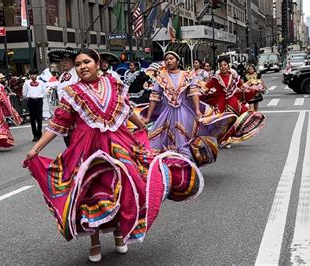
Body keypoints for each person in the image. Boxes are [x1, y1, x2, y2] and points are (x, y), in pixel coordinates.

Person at [23, 48, 204, 263]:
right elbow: (57, 124)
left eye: (87, 62)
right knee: (92, 193)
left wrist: (142, 127)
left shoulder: (114, 85)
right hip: (86, 148)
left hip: (119, 144)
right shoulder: (72, 93)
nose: (82, 66)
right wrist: (37, 149)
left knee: (126, 186)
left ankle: (120, 232)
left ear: (97, 64)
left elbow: (126, 110)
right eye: (78, 63)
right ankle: (95, 241)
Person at [143, 51, 231, 161]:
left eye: (171, 58)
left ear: (178, 61)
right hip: (167, 113)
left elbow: (194, 93)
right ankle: (172, 165)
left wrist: (198, 110)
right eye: (166, 59)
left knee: (184, 139)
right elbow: (154, 97)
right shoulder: (161, 77)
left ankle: (186, 165)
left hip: (185, 112)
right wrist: (148, 116)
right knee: (162, 140)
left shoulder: (188, 75)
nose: (168, 61)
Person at [201, 55, 265, 148]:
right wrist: (199, 90)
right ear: (219, 67)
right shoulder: (216, 78)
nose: (223, 67)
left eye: (225, 65)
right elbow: (207, 87)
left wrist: (254, 87)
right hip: (221, 102)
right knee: (221, 121)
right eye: (221, 65)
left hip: (232, 101)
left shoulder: (234, 77)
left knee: (244, 115)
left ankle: (230, 137)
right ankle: (223, 139)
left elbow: (242, 86)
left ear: (228, 66)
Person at [23, 69, 46, 141]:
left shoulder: (41, 83)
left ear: (37, 75)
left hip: (39, 100)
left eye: (34, 74)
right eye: (31, 74)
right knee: (32, 119)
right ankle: (35, 135)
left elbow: (44, 92)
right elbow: (24, 92)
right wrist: (29, 96)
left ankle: (39, 133)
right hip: (31, 100)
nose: (32, 76)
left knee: (39, 118)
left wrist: (40, 96)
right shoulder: (26, 83)